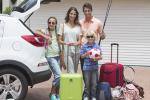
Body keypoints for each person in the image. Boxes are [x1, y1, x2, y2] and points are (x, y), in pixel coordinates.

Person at [36, 17, 61, 100]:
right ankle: (53, 92)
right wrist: (45, 37)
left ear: (55, 24)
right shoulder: (45, 31)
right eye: (49, 22)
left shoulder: (58, 31)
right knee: (59, 75)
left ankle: (57, 94)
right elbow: (36, 31)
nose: (51, 24)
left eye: (53, 23)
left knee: (57, 76)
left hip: (58, 56)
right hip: (50, 56)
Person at [80, 2, 106, 72]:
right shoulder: (80, 22)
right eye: (85, 11)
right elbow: (79, 36)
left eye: (88, 10)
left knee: (94, 73)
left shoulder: (98, 22)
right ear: (83, 12)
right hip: (84, 50)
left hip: (94, 51)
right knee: (84, 72)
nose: (87, 12)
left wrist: (103, 35)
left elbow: (103, 36)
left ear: (91, 11)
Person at [58, 7, 81, 73]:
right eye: (71, 13)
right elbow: (59, 40)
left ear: (76, 15)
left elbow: (80, 40)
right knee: (71, 71)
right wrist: (66, 43)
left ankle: (72, 83)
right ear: (68, 14)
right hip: (67, 51)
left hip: (77, 51)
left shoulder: (78, 26)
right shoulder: (62, 25)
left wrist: (77, 43)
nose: (72, 15)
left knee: (75, 71)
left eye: (74, 14)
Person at [80, 31, 102, 100]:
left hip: (94, 68)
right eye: (88, 36)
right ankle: (86, 96)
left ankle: (93, 96)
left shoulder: (97, 46)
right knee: (87, 83)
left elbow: (101, 57)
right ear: (86, 38)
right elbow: (81, 57)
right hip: (86, 68)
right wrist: (86, 54)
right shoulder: (84, 46)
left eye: (91, 36)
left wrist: (95, 58)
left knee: (94, 84)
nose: (90, 38)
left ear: (94, 37)